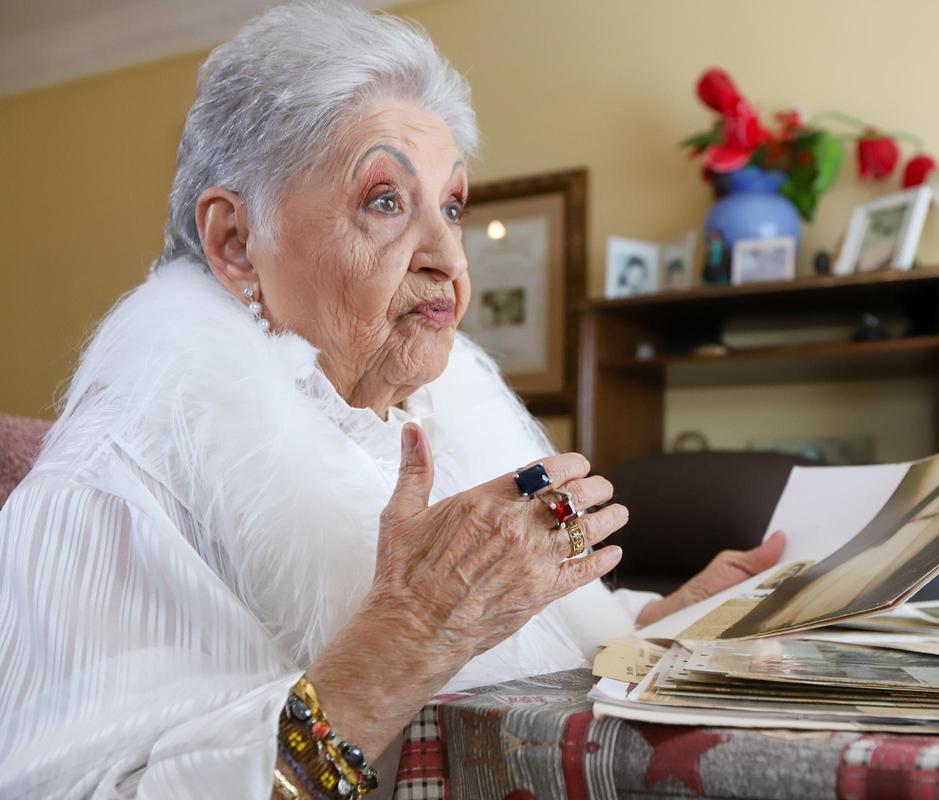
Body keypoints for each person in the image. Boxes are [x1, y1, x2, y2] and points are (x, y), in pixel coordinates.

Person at [0, 4, 783, 797]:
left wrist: (664, 625)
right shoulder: (107, 484)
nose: (450, 258)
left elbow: (530, 672)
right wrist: (409, 634)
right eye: (385, 201)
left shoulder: (436, 426)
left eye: (452, 207)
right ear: (236, 241)